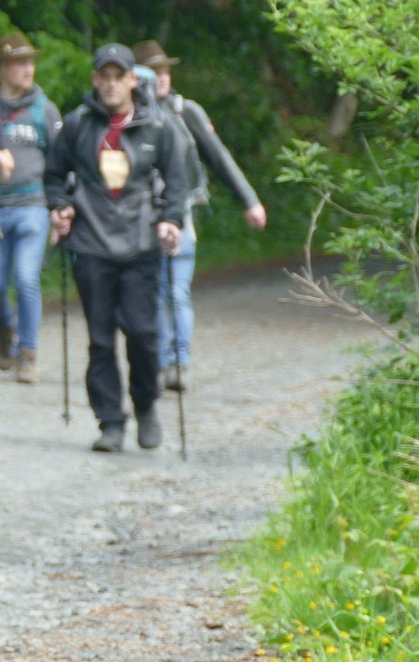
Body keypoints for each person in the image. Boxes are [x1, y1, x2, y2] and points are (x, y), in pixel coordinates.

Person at [46, 43, 192, 452]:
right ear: (95, 79)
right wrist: (59, 207)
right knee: (101, 339)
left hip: (141, 243)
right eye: (103, 76)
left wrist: (171, 219)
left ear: (132, 80)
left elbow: (177, 180)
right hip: (91, 243)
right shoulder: (77, 124)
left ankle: (146, 407)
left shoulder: (157, 125)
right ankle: (110, 422)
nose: (111, 84)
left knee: (144, 334)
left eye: (118, 76)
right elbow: (54, 174)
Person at [132, 40, 269, 392]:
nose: (161, 77)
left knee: (176, 291)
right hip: (137, 218)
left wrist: (249, 200)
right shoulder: (127, 117)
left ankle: (178, 362)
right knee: (153, 293)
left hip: (181, 216)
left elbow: (219, 158)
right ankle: (158, 361)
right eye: (153, 71)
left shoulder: (185, 111)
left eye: (164, 70)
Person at [0, 32, 62, 384]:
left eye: (30, 62)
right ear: (2, 68)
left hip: (32, 204)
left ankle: (28, 353)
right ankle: (5, 328)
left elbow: (60, 160)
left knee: (26, 279)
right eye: (19, 63)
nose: (28, 69)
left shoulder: (45, 109)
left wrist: (60, 206)